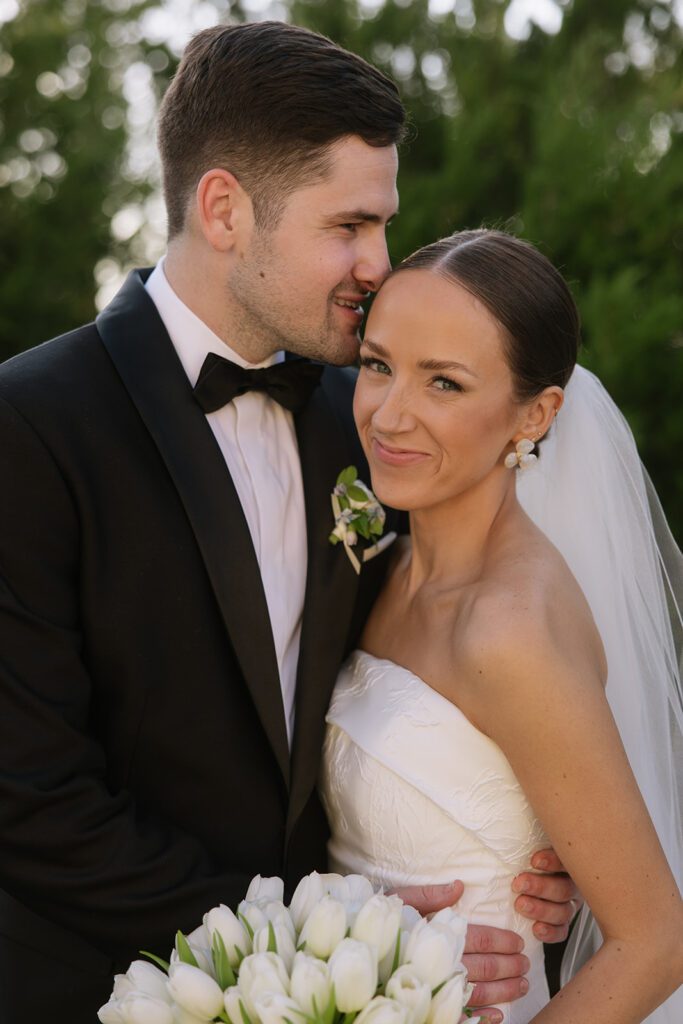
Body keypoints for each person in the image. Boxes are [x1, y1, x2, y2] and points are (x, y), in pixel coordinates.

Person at [0, 24, 575, 1024]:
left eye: (384, 225)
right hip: (94, 992)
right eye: (348, 225)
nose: (378, 264)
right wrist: (330, 935)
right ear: (224, 209)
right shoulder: (30, 425)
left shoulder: (369, 419)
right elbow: (29, 797)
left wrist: (530, 831)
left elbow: (455, 649)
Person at [320, 228, 683, 1023]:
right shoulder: (378, 568)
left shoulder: (508, 630)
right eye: (377, 365)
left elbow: (654, 940)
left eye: (443, 384)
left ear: (535, 415)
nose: (388, 414)